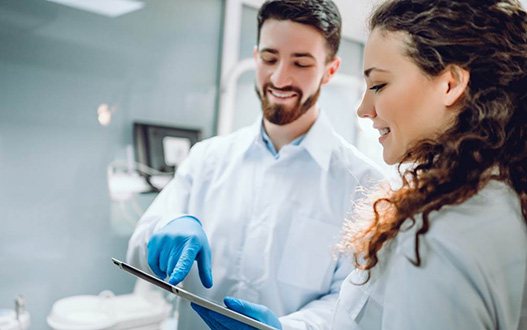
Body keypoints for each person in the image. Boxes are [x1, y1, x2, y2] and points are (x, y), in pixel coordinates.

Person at [191, 0, 527, 329]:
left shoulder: (438, 234)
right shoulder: (500, 201)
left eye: (379, 84)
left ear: (450, 84)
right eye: (269, 57)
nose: (363, 108)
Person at [126, 0, 384, 329]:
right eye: (269, 57)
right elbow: (138, 250)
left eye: (301, 63)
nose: (279, 77)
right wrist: (165, 230)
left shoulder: (363, 185)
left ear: (329, 70)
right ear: (255, 56)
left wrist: (284, 328)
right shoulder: (207, 158)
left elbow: (353, 304)